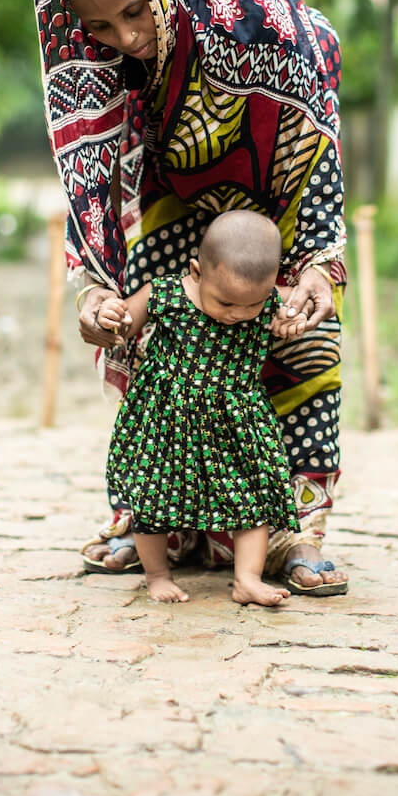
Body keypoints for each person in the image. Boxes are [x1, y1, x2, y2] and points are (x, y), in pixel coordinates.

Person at [35, 0, 349, 597]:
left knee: (300, 343)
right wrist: (96, 294)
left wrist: (318, 265)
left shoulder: (259, 29)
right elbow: (89, 184)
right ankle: (159, 519)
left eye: (134, 13)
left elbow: (315, 147)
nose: (126, 38)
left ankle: (290, 532)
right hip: (164, 202)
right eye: (100, 26)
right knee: (161, 352)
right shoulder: (94, 63)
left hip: (274, 192)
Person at [95, 211, 308, 606]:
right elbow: (124, 323)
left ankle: (247, 579)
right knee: (153, 499)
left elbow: (287, 320)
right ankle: (157, 575)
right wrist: (112, 318)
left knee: (252, 500)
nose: (238, 315)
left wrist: (289, 324)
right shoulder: (165, 294)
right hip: (166, 421)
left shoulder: (269, 304)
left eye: (252, 305)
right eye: (225, 302)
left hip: (237, 425)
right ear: (196, 271)